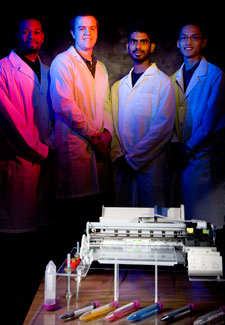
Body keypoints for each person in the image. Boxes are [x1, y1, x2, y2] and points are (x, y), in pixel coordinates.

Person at [0, 17, 55, 324]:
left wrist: (48, 148)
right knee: (15, 246)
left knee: (37, 241)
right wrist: (43, 150)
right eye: (25, 31)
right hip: (18, 161)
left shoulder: (47, 71)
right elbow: (10, 121)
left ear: (43, 37)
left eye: (36, 31)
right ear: (17, 35)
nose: (30, 36)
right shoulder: (3, 69)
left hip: (43, 163)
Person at [49, 12, 113, 259]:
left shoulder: (102, 67)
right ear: (73, 33)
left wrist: (106, 134)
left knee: (93, 216)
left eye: (92, 28)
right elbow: (63, 104)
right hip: (76, 147)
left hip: (97, 147)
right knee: (74, 220)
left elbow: (106, 104)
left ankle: (93, 274)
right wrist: (95, 136)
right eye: (82, 28)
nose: (88, 33)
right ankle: (71, 275)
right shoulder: (62, 62)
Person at [110, 20, 175, 207]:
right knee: (125, 227)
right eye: (133, 42)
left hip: (151, 166)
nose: (138, 46)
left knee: (153, 225)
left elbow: (162, 129)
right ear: (127, 46)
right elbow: (114, 125)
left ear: (152, 46)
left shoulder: (163, 82)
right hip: (123, 164)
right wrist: (119, 157)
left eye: (143, 42)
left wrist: (133, 160)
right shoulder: (119, 86)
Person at [171, 23, 225, 232]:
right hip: (182, 158)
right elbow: (171, 119)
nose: (189, 42)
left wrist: (186, 148)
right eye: (184, 38)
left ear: (204, 42)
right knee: (185, 226)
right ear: (178, 42)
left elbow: (209, 123)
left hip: (204, 158)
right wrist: (177, 145)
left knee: (205, 226)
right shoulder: (173, 78)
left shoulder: (215, 75)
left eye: (195, 37)